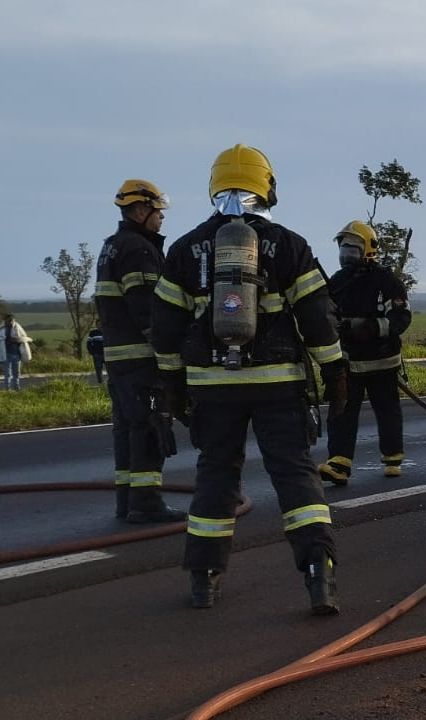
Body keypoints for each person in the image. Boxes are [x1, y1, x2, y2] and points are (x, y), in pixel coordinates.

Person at [151, 144, 348, 614]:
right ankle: (319, 573)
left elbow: (164, 327)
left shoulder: (184, 249)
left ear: (215, 186)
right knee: (295, 474)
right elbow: (318, 318)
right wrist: (336, 370)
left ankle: (204, 578)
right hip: (277, 384)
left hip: (211, 386)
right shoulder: (290, 245)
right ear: (267, 186)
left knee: (216, 475)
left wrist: (173, 383)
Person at [93, 180, 187, 523]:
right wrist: (168, 350)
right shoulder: (139, 249)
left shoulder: (112, 246)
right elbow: (148, 309)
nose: (161, 217)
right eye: (156, 210)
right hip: (142, 360)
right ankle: (146, 502)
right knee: (150, 425)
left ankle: (127, 501)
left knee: (127, 429)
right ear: (138, 210)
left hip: (118, 359)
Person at [318, 221, 413, 485]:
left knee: (387, 410)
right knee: (341, 411)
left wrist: (369, 327)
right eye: (343, 247)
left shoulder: (386, 282)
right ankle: (339, 463)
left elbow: (401, 317)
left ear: (367, 249)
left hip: (383, 361)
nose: (346, 253)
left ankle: (393, 458)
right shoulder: (337, 282)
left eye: (352, 247)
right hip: (349, 362)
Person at [0, 315, 33, 390]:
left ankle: (16, 387)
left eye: (12, 320)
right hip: (6, 354)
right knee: (7, 373)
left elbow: (24, 337)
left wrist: (17, 339)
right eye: (9, 320)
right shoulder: (2, 329)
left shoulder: (17, 328)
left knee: (16, 373)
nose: (11, 322)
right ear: (5, 321)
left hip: (17, 354)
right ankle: (7, 388)